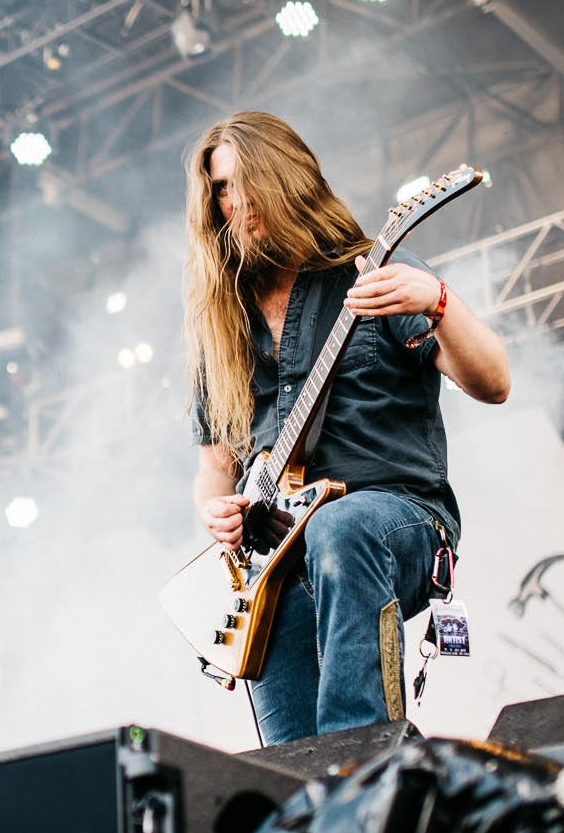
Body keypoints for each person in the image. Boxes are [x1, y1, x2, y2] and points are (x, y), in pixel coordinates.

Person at [185, 111, 512, 745]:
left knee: (340, 526)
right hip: (275, 561)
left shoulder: (374, 269)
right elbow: (212, 470)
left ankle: (367, 767)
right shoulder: (220, 327)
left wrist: (438, 302)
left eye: (246, 181)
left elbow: (494, 383)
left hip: (402, 522)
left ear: (287, 177)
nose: (236, 202)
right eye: (220, 188)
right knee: (293, 768)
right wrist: (215, 512)